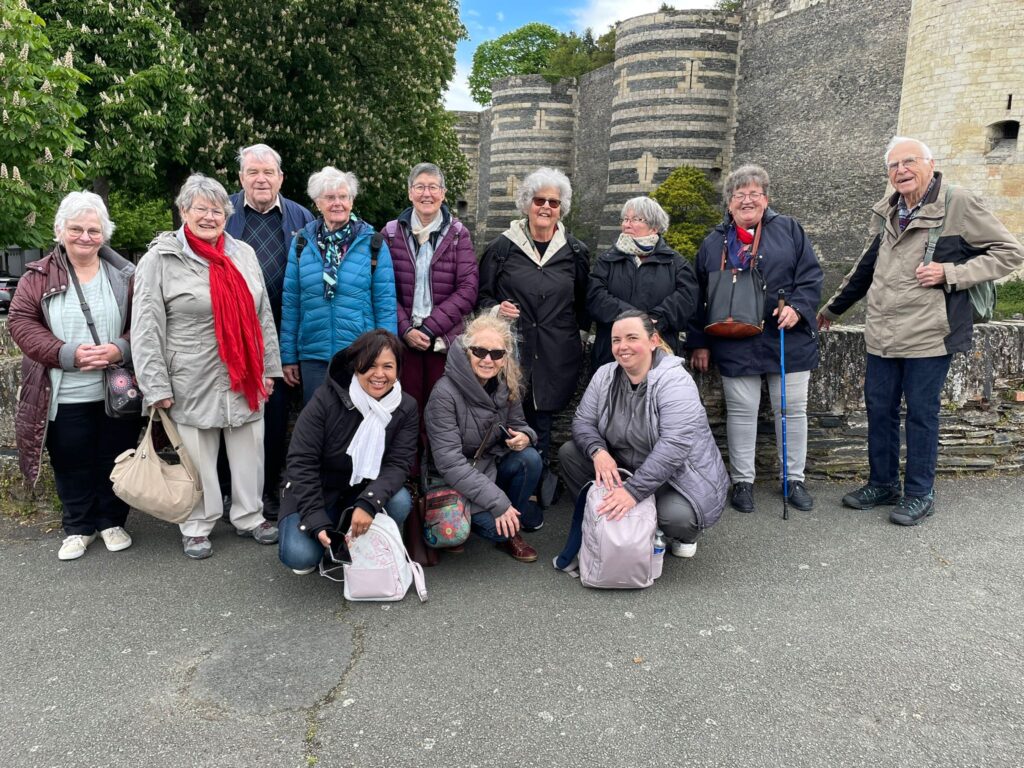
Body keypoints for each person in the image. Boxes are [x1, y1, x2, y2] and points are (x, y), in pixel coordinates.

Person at [817, 136, 1024, 526]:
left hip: (930, 334)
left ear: (930, 164)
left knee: (922, 416)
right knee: (879, 411)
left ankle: (919, 493)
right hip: (882, 332)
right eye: (893, 166)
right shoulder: (889, 210)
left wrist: (952, 273)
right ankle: (882, 484)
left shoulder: (957, 202)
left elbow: (1010, 252)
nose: (901, 171)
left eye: (908, 162)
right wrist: (831, 308)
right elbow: (867, 265)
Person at [132, 174, 282, 559]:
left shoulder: (243, 253)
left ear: (226, 215)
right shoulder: (160, 258)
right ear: (183, 211)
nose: (210, 217)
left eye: (217, 210)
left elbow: (262, 313)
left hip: (246, 372)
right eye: (201, 208)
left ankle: (249, 515)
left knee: (250, 448)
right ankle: (197, 524)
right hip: (190, 374)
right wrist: (155, 385)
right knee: (197, 453)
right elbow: (146, 326)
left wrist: (269, 367)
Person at [9, 192, 141, 561]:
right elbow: (20, 322)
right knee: (70, 458)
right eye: (77, 229)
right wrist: (65, 354)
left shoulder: (126, 275)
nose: (85, 236)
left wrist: (119, 349)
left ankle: (112, 521)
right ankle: (78, 526)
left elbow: (144, 325)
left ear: (105, 234)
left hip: (116, 388)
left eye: (94, 230)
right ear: (60, 231)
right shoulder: (37, 276)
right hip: (62, 389)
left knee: (114, 457)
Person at [686, 164, 823, 514]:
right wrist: (699, 341)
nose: (747, 200)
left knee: (791, 411)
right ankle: (742, 482)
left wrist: (797, 307)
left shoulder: (789, 229)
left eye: (754, 194)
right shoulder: (713, 241)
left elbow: (810, 276)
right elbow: (699, 295)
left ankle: (793, 479)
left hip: (784, 335)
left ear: (766, 198)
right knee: (742, 412)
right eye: (739, 195)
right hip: (734, 338)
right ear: (729, 204)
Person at [554, 311, 728, 568]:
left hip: (676, 476)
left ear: (653, 341)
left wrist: (633, 492)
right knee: (570, 453)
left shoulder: (675, 381)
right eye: (616, 340)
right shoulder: (605, 375)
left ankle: (680, 535)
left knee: (676, 517)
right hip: (625, 465)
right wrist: (598, 452)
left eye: (631, 337)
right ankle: (609, 521)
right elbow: (582, 421)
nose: (622, 347)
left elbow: (673, 446)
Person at [478, 166, 590, 505]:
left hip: (557, 353)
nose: (546, 207)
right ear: (527, 203)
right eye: (539, 200)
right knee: (506, 419)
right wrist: (497, 310)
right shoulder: (502, 248)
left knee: (542, 421)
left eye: (553, 202)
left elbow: (584, 304)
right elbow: (481, 298)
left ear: (562, 208)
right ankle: (505, 489)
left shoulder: (575, 251)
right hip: (511, 352)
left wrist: (578, 340)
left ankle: (534, 490)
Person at [277, 330, 417, 575]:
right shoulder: (325, 399)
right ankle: (328, 535)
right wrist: (315, 518)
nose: (379, 375)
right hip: (318, 489)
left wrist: (370, 501)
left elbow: (399, 464)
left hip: (362, 490)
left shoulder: (405, 407)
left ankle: (364, 543)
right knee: (299, 556)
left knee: (400, 500)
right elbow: (302, 462)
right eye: (371, 365)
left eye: (388, 366)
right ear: (356, 366)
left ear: (398, 370)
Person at [223, 143, 315, 518]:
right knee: (229, 410)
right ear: (241, 177)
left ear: (280, 178)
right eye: (252, 172)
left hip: (280, 328)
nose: (261, 179)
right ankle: (229, 489)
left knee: (275, 413)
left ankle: (267, 490)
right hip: (231, 331)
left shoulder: (301, 216)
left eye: (268, 173)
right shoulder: (222, 211)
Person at [424, 315, 543, 562]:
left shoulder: (505, 385)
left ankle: (510, 527)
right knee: (496, 530)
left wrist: (524, 436)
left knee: (529, 459)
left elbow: (520, 424)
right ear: (467, 351)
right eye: (480, 351)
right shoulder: (444, 392)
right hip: (452, 479)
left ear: (504, 358)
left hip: (488, 468)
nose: (488, 359)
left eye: (497, 354)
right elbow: (450, 463)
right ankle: (494, 524)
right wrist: (498, 503)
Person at [280, 167, 397, 404]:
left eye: (343, 197)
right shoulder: (301, 242)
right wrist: (289, 356)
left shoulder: (373, 244)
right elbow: (291, 304)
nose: (337, 203)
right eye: (330, 197)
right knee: (317, 425)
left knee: (356, 426)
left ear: (352, 201)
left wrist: (388, 357)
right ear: (317, 203)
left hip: (361, 354)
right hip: (313, 354)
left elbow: (385, 304)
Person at [382, 162, 478, 433]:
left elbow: (468, 289)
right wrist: (406, 329)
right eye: (420, 187)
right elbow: (384, 290)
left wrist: (428, 328)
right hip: (403, 339)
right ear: (410, 193)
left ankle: (437, 466)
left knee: (441, 406)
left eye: (433, 187)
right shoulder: (390, 234)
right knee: (403, 404)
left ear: (443, 193)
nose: (427, 194)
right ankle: (407, 468)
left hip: (443, 339)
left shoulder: (459, 234)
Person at [587, 196, 699, 367]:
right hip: (611, 356)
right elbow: (595, 296)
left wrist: (658, 318)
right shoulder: (607, 260)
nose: (627, 224)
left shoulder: (675, 263)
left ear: (654, 227)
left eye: (636, 219)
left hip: (658, 356)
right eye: (625, 219)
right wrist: (633, 319)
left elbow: (687, 300)